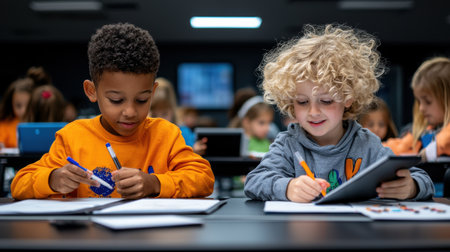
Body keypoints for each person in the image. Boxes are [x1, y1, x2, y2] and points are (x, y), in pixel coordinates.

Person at [11, 23, 214, 200]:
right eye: (116, 100)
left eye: (142, 100)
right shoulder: (73, 137)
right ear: (92, 91)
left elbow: (204, 178)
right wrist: (53, 179)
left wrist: (155, 183)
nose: (130, 112)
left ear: (152, 92)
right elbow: (19, 184)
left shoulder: (166, 135)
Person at [244, 24, 434, 203]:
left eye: (326, 101)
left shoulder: (366, 144)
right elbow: (254, 182)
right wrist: (287, 187)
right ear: (290, 102)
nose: (313, 112)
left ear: (348, 98)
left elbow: (421, 178)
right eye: (302, 102)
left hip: (356, 235)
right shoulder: (288, 144)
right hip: (302, 234)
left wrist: (411, 187)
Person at [384, 57, 450, 162]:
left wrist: (431, 150)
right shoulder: (423, 132)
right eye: (419, 102)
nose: (421, 108)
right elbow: (401, 146)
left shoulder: (445, 136)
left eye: (428, 101)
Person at [0, 77, 34, 148]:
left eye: (28, 105)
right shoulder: (4, 124)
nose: (23, 110)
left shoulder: (40, 122)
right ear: (10, 104)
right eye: (18, 105)